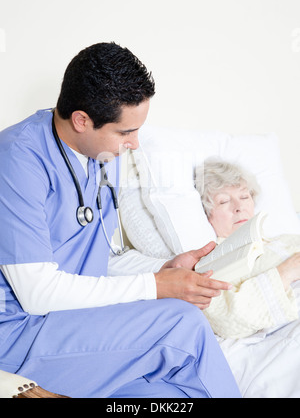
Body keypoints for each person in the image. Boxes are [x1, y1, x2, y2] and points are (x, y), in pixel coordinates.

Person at [0, 43, 241, 398]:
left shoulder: (100, 155)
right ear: (82, 120)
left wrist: (164, 269)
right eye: (126, 132)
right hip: (19, 335)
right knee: (181, 323)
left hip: (71, 324)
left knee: (165, 395)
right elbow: (37, 293)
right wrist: (157, 287)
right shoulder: (18, 159)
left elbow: (99, 262)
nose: (135, 143)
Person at [195, 158, 300, 339]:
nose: (239, 207)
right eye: (223, 201)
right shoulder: (212, 265)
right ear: (206, 213)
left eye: (244, 197)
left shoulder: (287, 240)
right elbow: (227, 320)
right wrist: (285, 273)